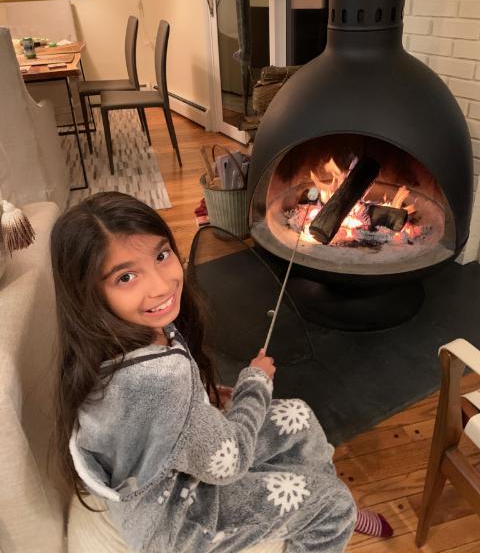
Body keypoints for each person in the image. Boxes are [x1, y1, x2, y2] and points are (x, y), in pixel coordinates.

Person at [50, 191, 381, 553]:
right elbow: (229, 462)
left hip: (175, 475)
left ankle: (305, 510)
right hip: (180, 522)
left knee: (297, 415)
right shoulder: (157, 381)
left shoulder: (114, 340)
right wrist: (255, 383)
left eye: (162, 256)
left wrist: (202, 403)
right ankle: (325, 514)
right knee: (335, 505)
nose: (161, 286)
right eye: (126, 277)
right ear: (88, 293)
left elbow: (168, 423)